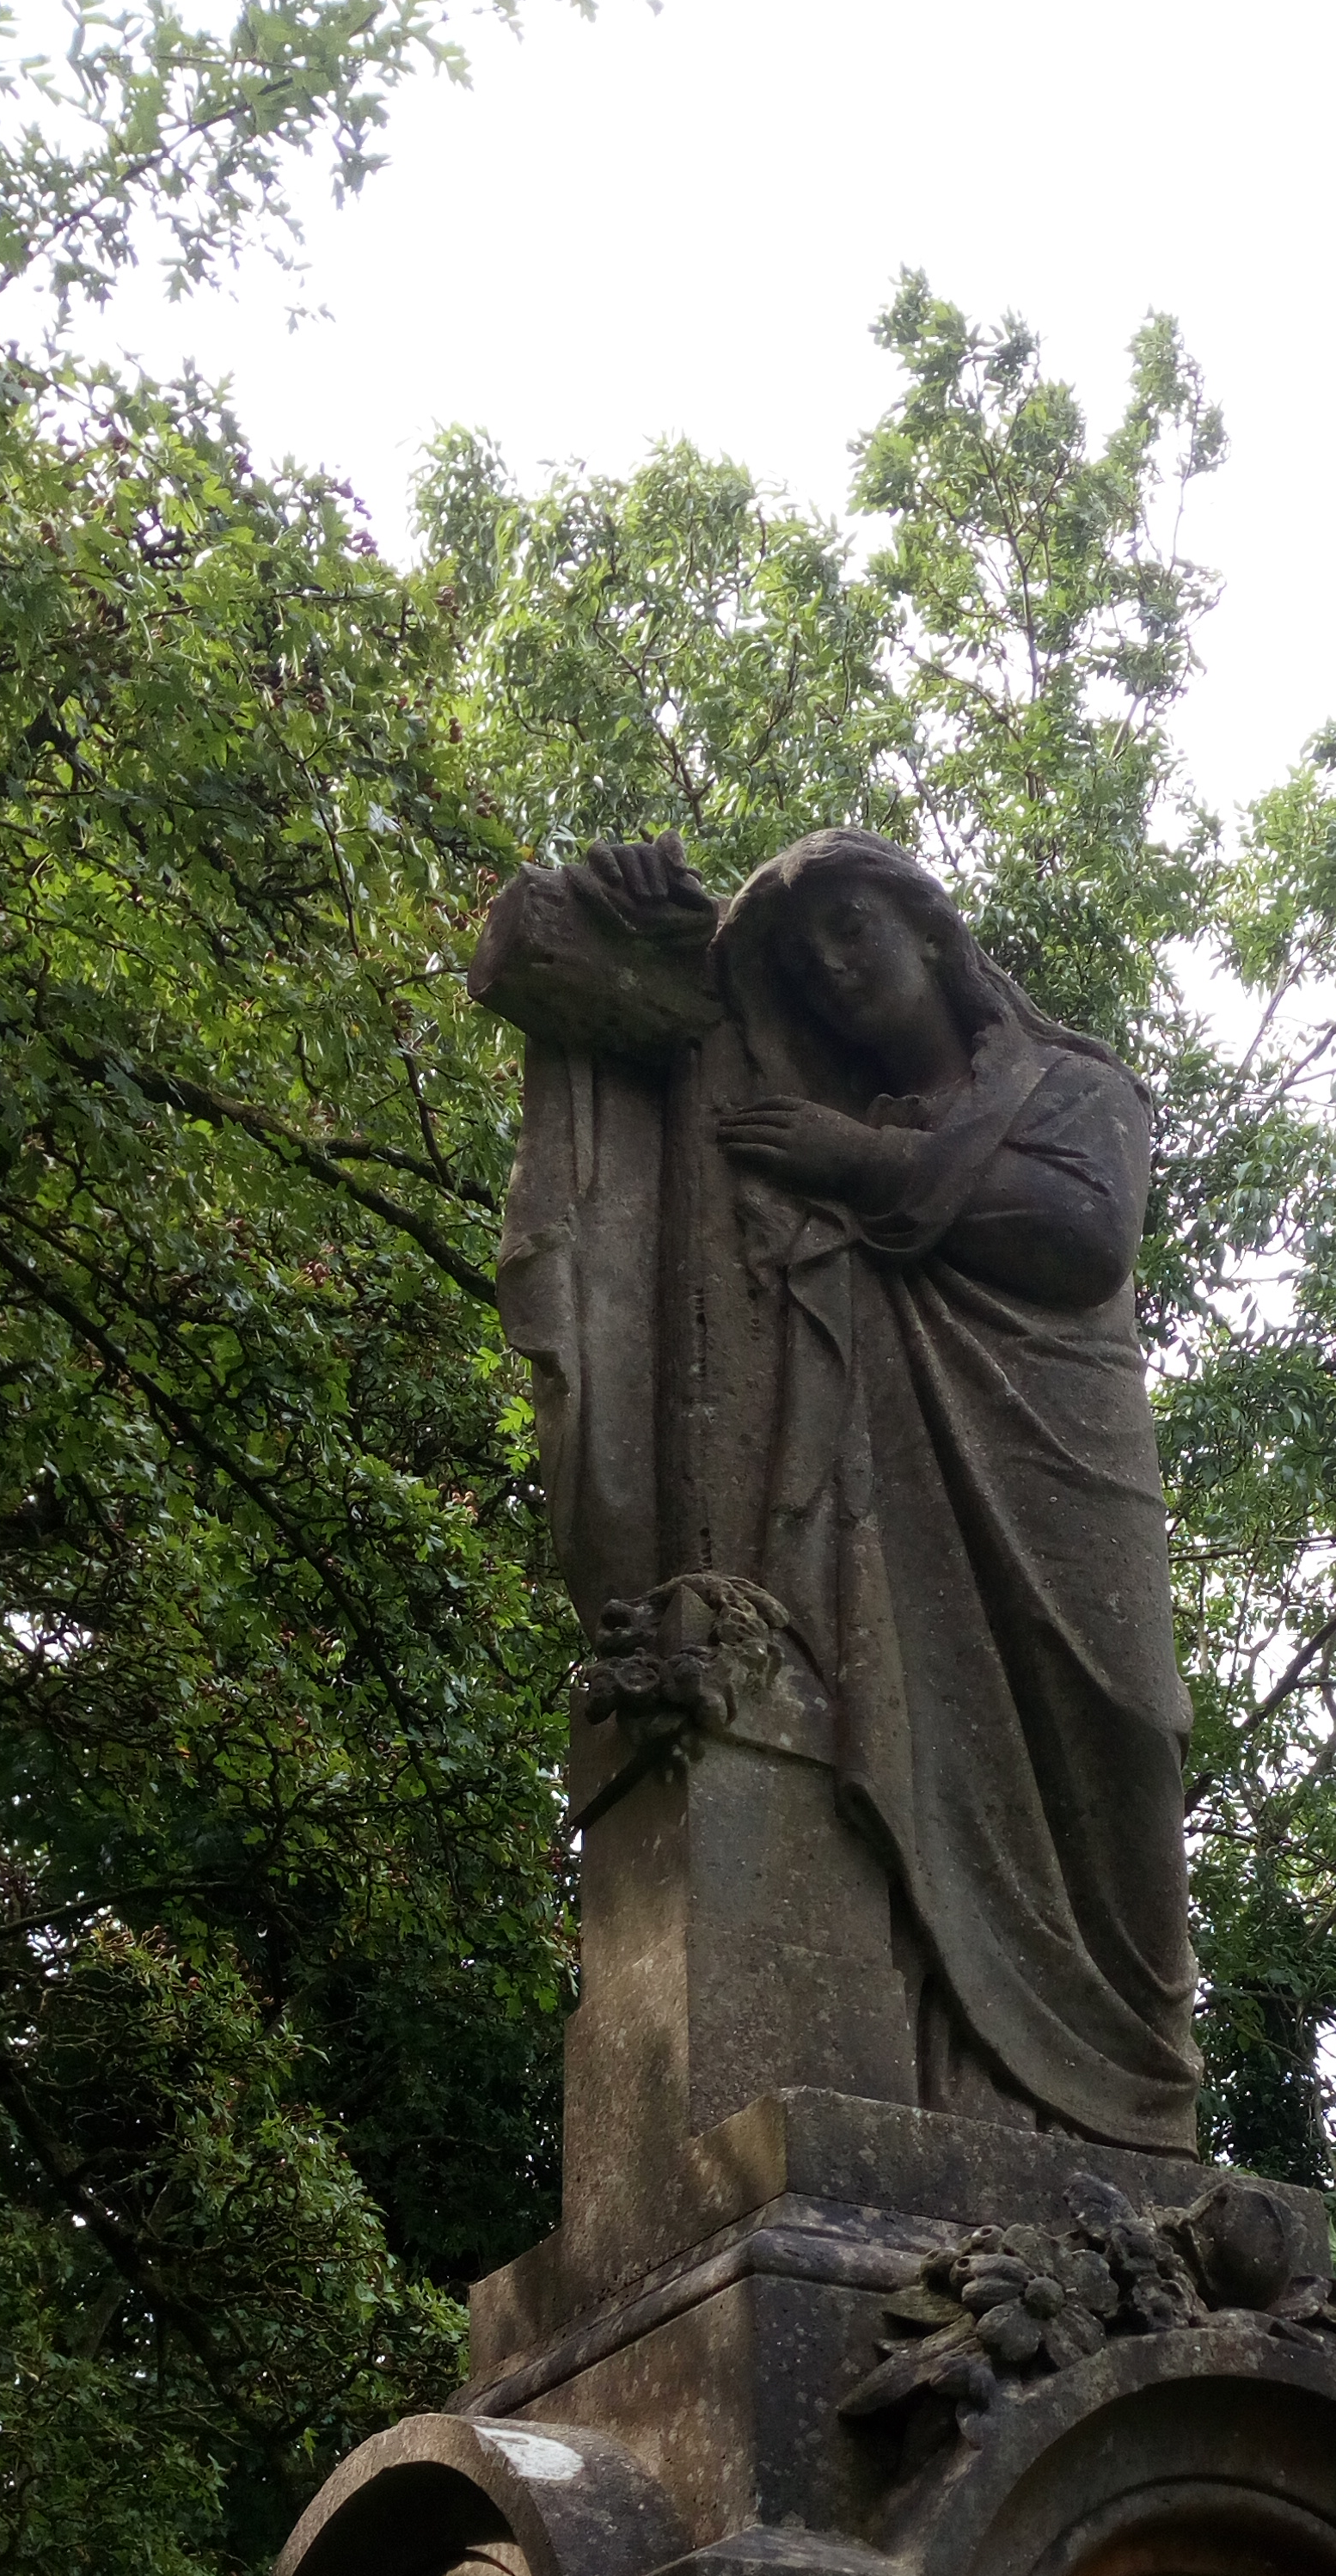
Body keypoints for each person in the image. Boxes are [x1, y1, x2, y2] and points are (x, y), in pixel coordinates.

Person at [473, 827, 1201, 2155]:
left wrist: (857, 1162)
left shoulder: (1074, 1084)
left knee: (1127, 1734)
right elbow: (569, 961)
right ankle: (961, 2085)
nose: (835, 967)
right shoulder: (814, 1118)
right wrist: (620, 902)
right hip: (906, 1489)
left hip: (1067, 1466)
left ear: (929, 927)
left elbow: (1085, 1235)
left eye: (852, 929)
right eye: (805, 960)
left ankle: (1133, 2102)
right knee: (913, 1710)